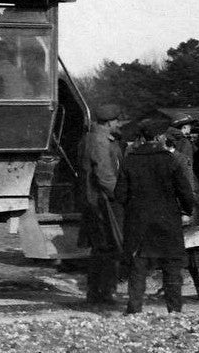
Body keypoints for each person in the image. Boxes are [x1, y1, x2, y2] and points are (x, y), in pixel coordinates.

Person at [115, 117, 195, 314]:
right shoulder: (171, 161)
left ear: (142, 137)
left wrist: (133, 207)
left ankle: (134, 309)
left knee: (138, 267)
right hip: (167, 221)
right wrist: (187, 210)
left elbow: (119, 195)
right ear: (160, 137)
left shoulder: (129, 161)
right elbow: (185, 193)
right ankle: (174, 310)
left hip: (138, 222)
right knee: (171, 267)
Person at [77, 103, 126, 305]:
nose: (119, 124)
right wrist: (121, 195)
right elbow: (105, 176)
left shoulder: (89, 138)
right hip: (104, 202)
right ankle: (106, 292)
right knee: (110, 247)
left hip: (92, 200)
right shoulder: (100, 142)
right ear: (108, 123)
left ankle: (95, 292)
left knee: (99, 249)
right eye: (117, 121)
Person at [166, 126, 199, 300]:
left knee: (189, 250)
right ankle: (194, 286)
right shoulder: (175, 159)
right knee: (186, 250)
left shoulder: (179, 160)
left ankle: (198, 285)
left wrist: (187, 210)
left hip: (184, 208)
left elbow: (189, 187)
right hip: (182, 207)